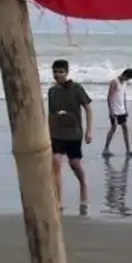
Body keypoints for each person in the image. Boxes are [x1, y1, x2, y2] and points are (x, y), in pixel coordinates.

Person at [48, 58, 94, 210]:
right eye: (55, 72)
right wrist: (47, 131)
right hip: (57, 133)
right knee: (55, 162)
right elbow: (51, 114)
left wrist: (88, 130)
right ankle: (58, 201)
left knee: (74, 164)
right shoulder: (52, 91)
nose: (58, 75)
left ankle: (83, 184)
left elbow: (88, 108)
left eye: (61, 72)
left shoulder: (76, 88)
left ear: (67, 72)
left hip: (74, 132)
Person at [102, 68, 132, 157]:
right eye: (127, 78)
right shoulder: (114, 82)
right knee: (113, 128)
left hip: (121, 110)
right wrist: (111, 111)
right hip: (114, 111)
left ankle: (128, 150)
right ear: (124, 75)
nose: (127, 80)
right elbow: (109, 97)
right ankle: (106, 149)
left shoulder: (124, 83)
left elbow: (123, 95)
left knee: (125, 128)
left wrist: (125, 109)